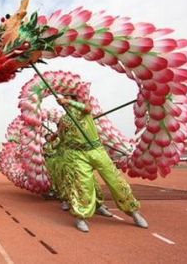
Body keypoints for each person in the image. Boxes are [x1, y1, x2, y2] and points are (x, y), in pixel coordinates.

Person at [57, 94, 147, 232]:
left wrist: (68, 101)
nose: (64, 100)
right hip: (78, 154)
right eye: (64, 98)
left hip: (97, 150)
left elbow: (87, 108)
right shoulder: (63, 120)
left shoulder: (84, 111)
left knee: (115, 180)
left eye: (69, 98)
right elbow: (63, 139)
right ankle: (81, 216)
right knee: (83, 185)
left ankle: (133, 211)